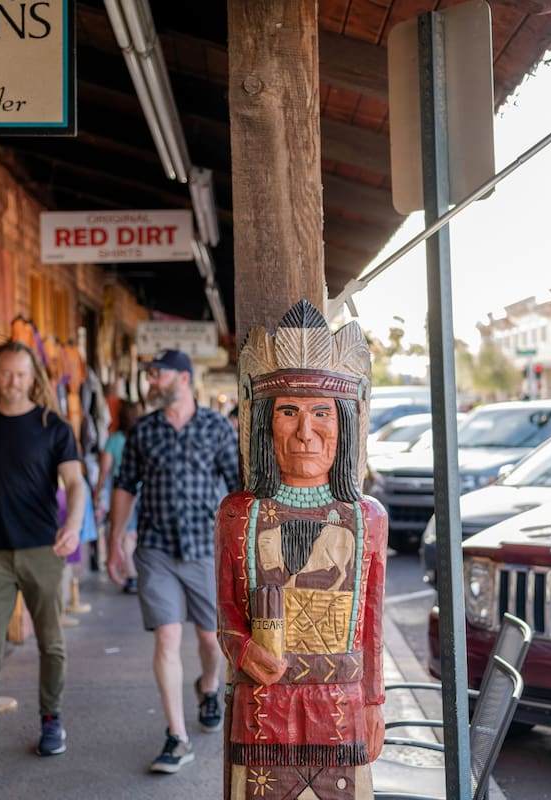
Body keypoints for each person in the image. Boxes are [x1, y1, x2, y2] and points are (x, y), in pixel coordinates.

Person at [215, 299, 387, 799]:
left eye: (321, 413)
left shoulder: (366, 518)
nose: (305, 432)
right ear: (265, 423)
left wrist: (374, 702)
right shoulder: (238, 513)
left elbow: (371, 624)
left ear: (346, 425)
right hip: (262, 709)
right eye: (288, 411)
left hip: (342, 708)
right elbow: (226, 609)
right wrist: (243, 648)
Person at [0, 341, 85, 790]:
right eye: (6, 373)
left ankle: (51, 720)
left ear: (34, 378)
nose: (13, 382)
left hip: (42, 552)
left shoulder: (53, 427)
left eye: (21, 374)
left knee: (52, 644)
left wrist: (74, 526)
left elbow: (75, 483)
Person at [106, 349, 240, 774]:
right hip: (155, 549)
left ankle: (209, 686)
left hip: (204, 548)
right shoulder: (143, 432)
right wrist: (115, 540)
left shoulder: (217, 427)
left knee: (207, 640)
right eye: (149, 375)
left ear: (182, 378)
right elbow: (126, 486)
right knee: (166, 637)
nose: (151, 382)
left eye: (156, 374)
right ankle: (177, 737)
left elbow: (237, 486)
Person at [95, 400, 142, 593]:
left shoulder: (114, 440)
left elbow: (105, 469)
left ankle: (132, 577)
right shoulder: (141, 437)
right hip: (144, 490)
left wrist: (98, 490)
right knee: (136, 534)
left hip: (123, 492)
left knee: (127, 536)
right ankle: (137, 574)